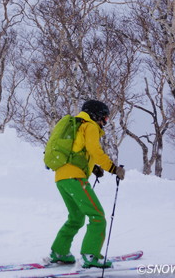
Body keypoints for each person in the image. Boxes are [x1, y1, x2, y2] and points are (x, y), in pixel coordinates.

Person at [49, 99, 126, 269]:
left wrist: (94, 169)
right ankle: (91, 255)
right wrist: (113, 168)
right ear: (96, 114)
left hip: (62, 177)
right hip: (75, 178)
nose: (104, 122)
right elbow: (94, 151)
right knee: (98, 216)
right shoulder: (89, 125)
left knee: (76, 218)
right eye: (104, 118)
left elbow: (78, 151)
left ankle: (59, 252)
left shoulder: (77, 124)